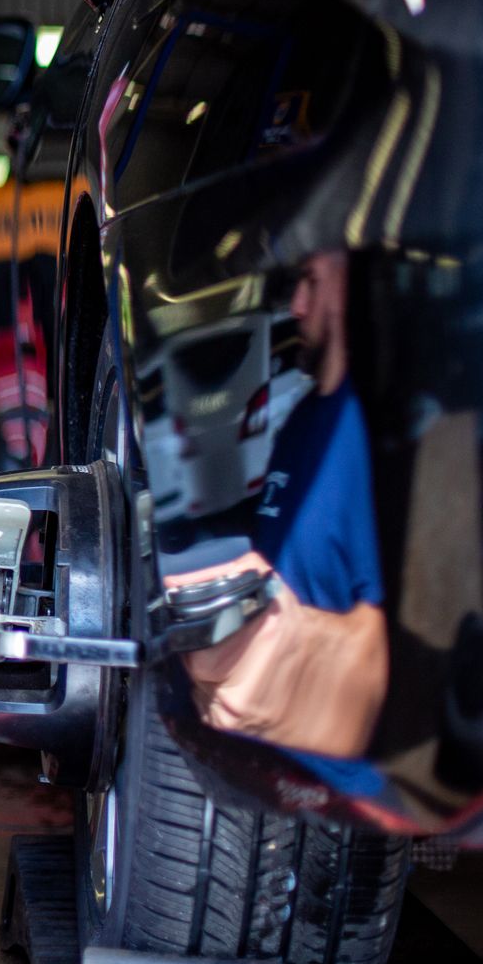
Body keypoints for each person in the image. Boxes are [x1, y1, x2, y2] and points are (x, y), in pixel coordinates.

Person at [172, 250, 389, 762]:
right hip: (266, 759)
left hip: (341, 785)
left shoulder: (373, 435)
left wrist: (289, 660)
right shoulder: (300, 423)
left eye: (312, 283)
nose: (296, 306)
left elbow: (390, 641)